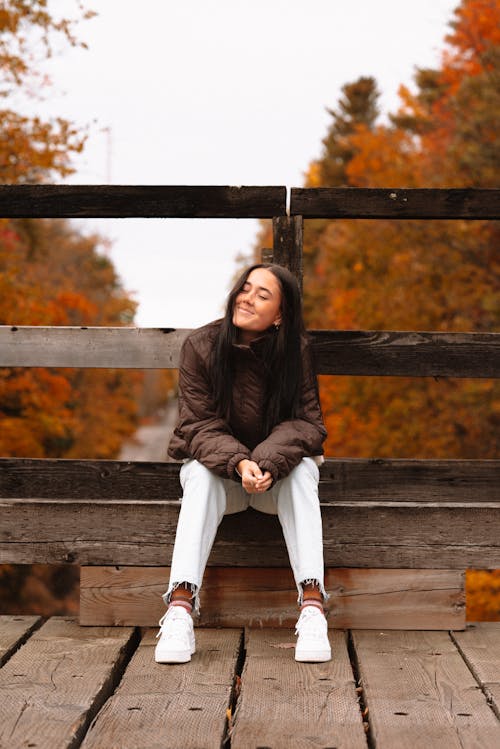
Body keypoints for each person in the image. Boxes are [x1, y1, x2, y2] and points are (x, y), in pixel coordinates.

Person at [155, 262, 330, 664]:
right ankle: (180, 609)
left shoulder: (296, 351)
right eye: (245, 289)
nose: (247, 298)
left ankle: (313, 608)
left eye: (262, 295)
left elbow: (308, 423)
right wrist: (238, 464)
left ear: (281, 314)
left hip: (274, 482)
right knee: (197, 473)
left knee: (305, 469)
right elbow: (196, 425)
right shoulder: (200, 346)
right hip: (223, 482)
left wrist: (265, 462)